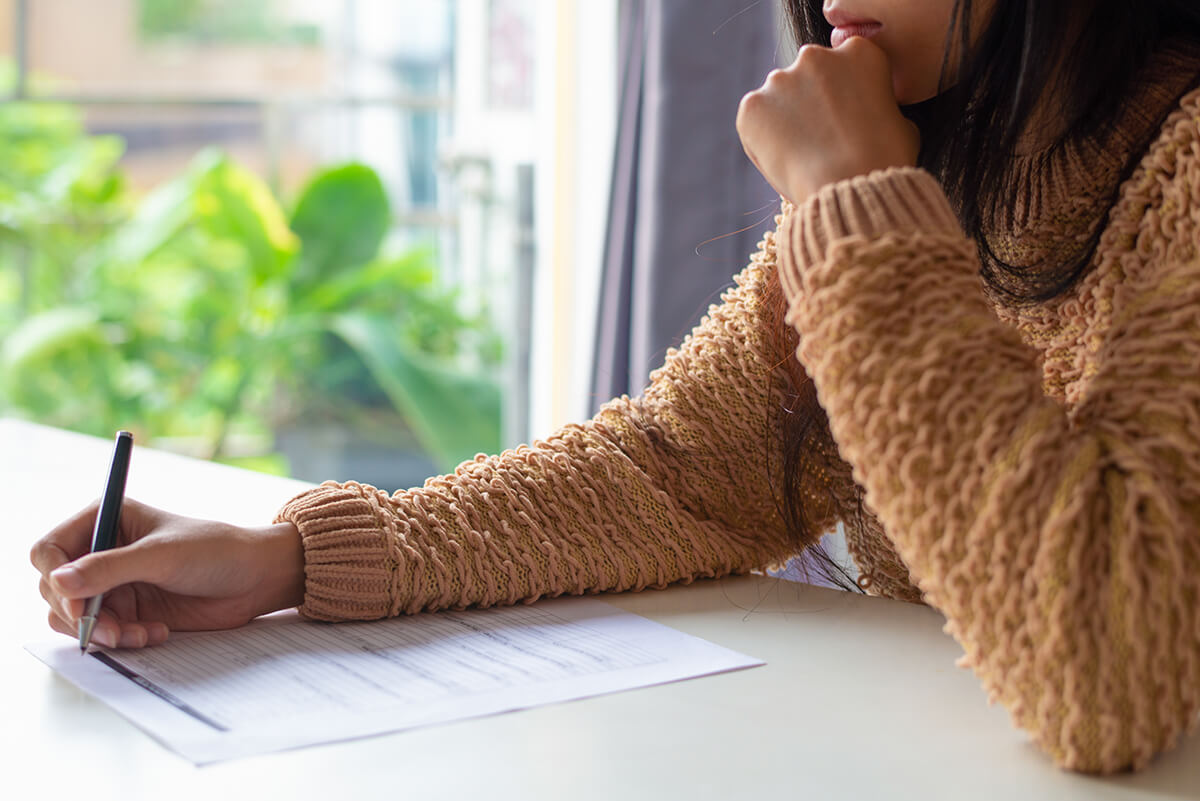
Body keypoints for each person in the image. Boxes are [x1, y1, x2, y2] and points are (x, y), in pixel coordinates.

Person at [30, 0, 1200, 775]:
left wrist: (851, 203)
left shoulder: (1175, 168)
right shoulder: (944, 151)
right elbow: (680, 471)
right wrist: (285, 559)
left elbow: (1102, 668)